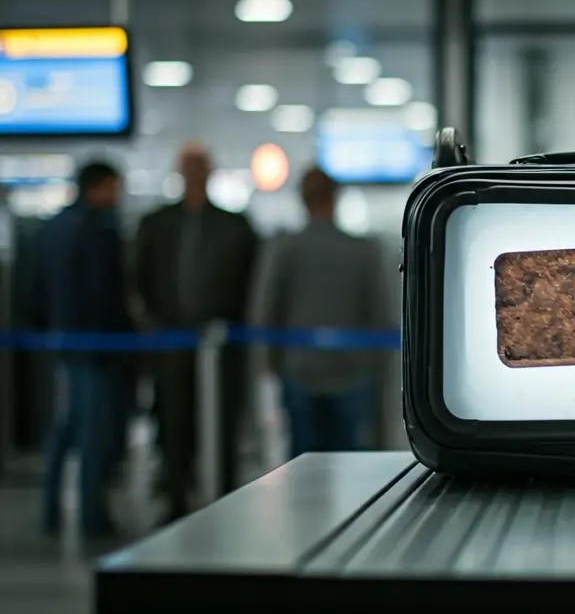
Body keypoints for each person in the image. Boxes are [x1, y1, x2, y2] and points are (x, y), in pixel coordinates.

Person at [133, 143, 259, 522]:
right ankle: (175, 496)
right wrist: (151, 327)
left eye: (199, 168)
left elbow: (251, 286)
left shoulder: (236, 226)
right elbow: (137, 280)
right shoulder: (156, 224)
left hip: (221, 346)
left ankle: (224, 498)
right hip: (171, 344)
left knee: (222, 423)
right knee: (173, 422)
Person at [250, 167, 390, 457]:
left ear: (302, 199)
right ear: (335, 198)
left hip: (300, 367)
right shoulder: (362, 250)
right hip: (353, 370)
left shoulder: (286, 248)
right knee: (349, 459)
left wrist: (272, 363)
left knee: (304, 460)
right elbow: (378, 311)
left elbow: (268, 308)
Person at [33, 160, 133, 537]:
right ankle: (92, 515)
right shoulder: (99, 230)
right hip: (97, 343)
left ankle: (51, 510)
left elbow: (36, 288)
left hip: (65, 341)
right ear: (99, 187)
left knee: (68, 425)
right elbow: (102, 291)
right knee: (94, 429)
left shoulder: (52, 229)